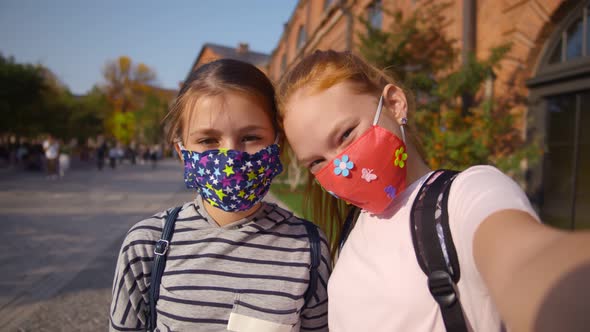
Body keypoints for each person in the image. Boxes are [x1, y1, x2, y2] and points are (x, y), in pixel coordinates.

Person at [276, 50, 590, 332]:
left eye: (346, 134)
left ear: (395, 104)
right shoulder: (353, 225)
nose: (339, 166)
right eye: (316, 162)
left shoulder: (466, 196)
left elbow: (532, 263)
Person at [109, 59, 330, 332]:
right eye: (208, 141)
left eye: (250, 137)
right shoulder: (147, 244)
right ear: (182, 153)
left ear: (278, 145)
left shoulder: (308, 247)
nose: (230, 157)